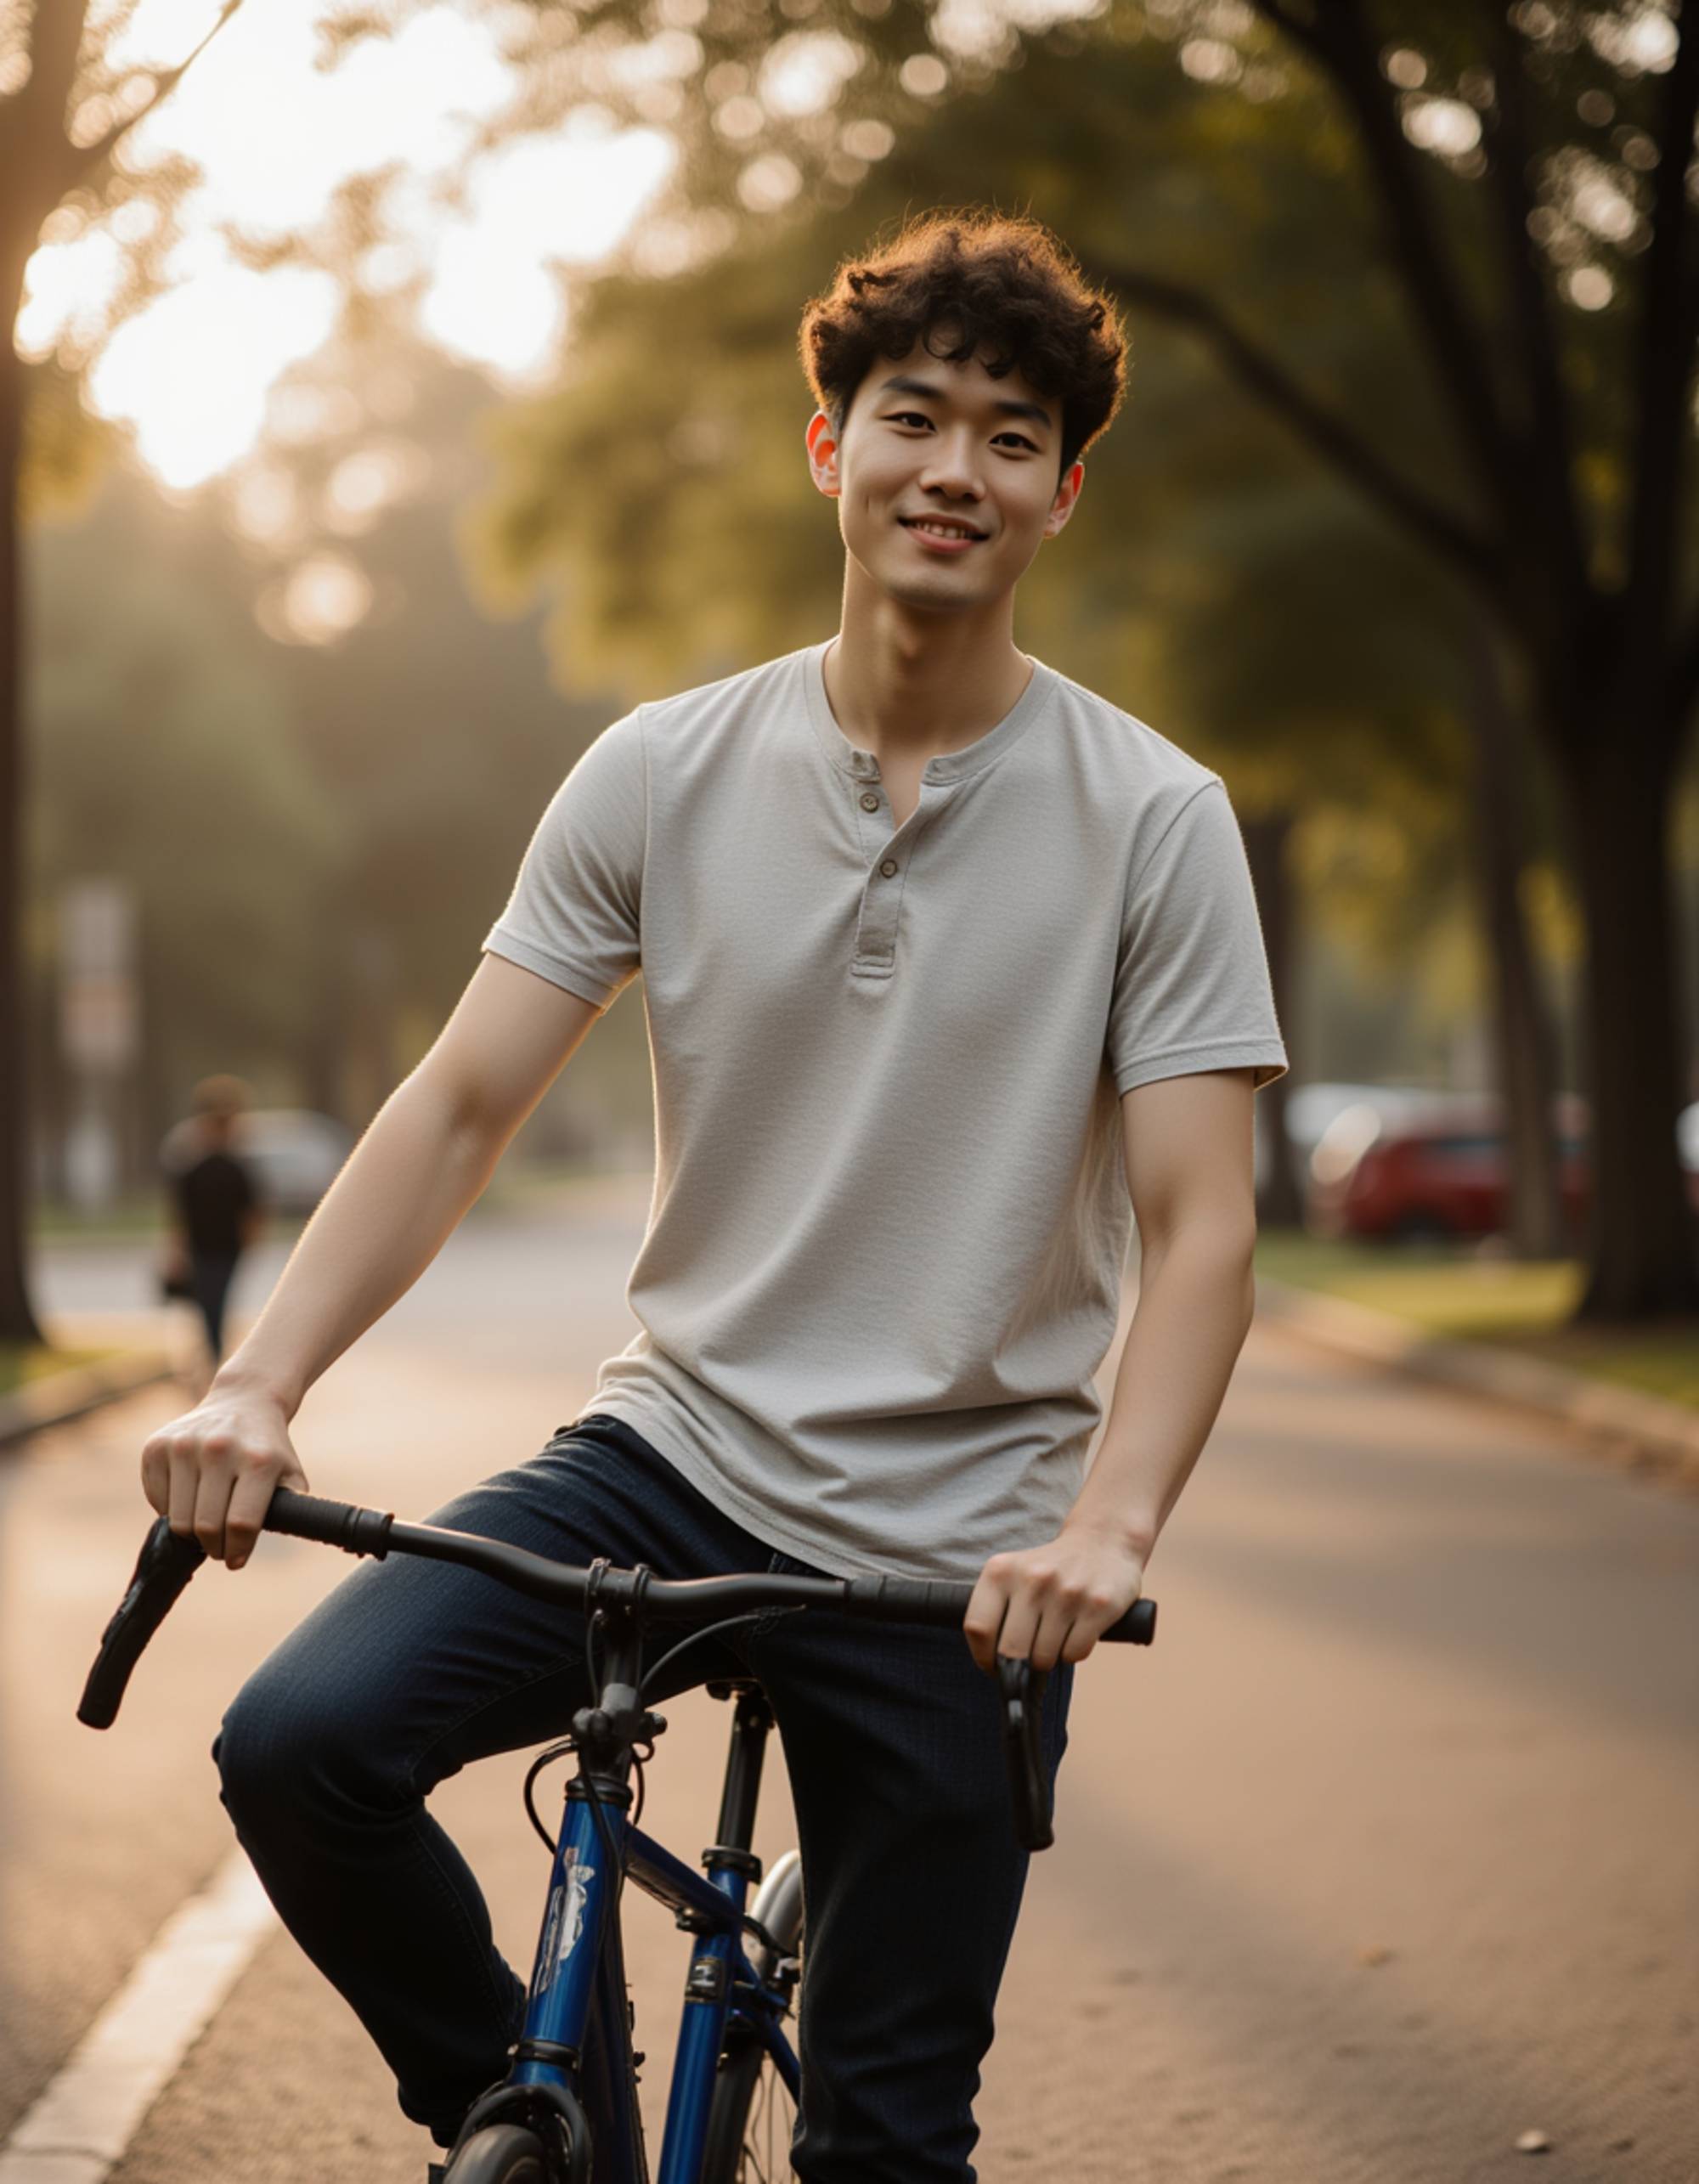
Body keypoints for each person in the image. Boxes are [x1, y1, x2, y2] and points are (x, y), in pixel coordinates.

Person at [140, 208, 1288, 2181]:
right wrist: (260, 1384)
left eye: (1008, 436)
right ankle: (535, 2120)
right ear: (826, 447)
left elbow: (1199, 1223)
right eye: (910, 415)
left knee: (881, 2136)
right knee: (299, 1742)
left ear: (1058, 491)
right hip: (666, 1458)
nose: (953, 466)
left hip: (961, 1545)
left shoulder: (1152, 820)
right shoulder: (659, 771)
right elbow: (458, 1101)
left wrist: (1106, 1525)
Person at [161, 1075, 265, 1397]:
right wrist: (176, 1253)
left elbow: (252, 1213)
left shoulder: (237, 1169)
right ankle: (213, 1358)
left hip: (226, 1249)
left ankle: (212, 1358)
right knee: (210, 1304)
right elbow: (180, 1218)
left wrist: (249, 1243)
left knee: (215, 1303)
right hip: (203, 1248)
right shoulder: (192, 1170)